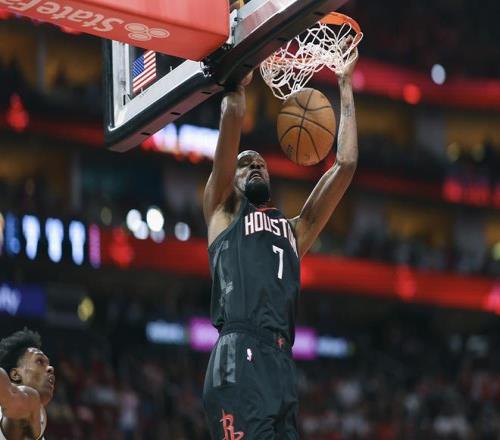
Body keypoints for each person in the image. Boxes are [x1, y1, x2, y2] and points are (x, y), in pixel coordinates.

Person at [201, 40, 359, 438]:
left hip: (281, 363)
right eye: (244, 164)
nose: (254, 166)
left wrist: (344, 86)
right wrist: (239, 73)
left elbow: (345, 165)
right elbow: (233, 112)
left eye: (260, 164)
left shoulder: (293, 230)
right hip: (238, 352)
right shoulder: (221, 212)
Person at [0, 329, 55, 440]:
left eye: (48, 363)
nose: (51, 368)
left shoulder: (38, 415)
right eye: (39, 361)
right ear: (15, 374)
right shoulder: (28, 399)